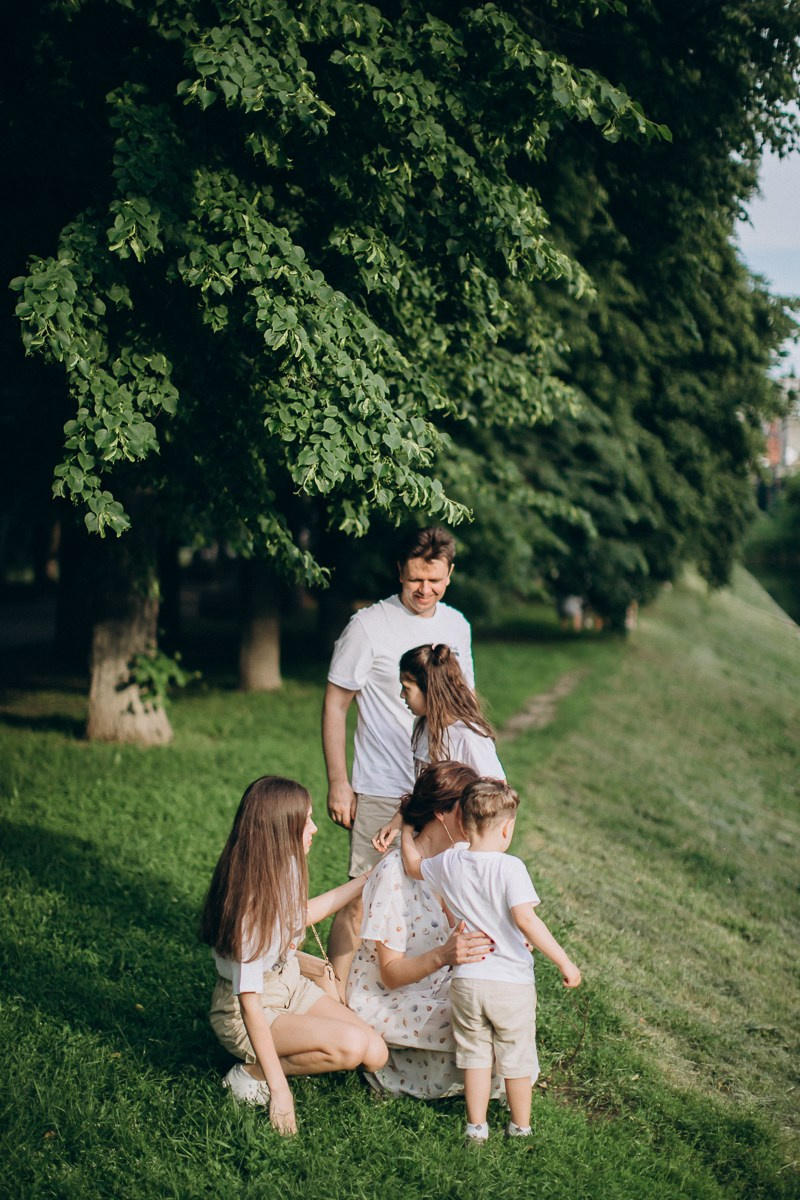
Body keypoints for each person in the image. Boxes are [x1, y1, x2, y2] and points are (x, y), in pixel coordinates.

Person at [322, 526, 474, 985]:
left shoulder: (457, 626)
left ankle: (406, 998)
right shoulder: (368, 626)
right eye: (415, 580)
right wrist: (338, 782)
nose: (424, 590)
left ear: (450, 574)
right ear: (399, 573)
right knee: (361, 898)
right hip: (381, 786)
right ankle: (336, 996)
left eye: (435, 580)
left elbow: (463, 702)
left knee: (433, 900)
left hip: (439, 793)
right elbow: (336, 704)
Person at [200, 775, 388, 1135]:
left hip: (289, 983)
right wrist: (281, 1093)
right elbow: (250, 1007)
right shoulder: (247, 911)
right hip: (247, 1011)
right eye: (306, 822)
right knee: (351, 1048)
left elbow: (299, 915)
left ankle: (273, 1061)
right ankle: (251, 1074)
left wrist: (367, 880)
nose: (315, 829)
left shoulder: (283, 864)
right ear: (280, 830)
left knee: (375, 1053)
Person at [401, 777, 581, 1144]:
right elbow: (526, 919)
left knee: (475, 1055)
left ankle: (476, 1127)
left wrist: (406, 828)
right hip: (510, 983)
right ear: (507, 828)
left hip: (467, 980)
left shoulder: (450, 861)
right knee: (516, 1056)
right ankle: (520, 1127)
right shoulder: (510, 868)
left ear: (463, 823)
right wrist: (565, 962)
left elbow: (413, 866)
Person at [346, 762, 499, 1099]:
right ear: (442, 812)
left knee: (501, 1003)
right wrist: (444, 955)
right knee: (478, 1021)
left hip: (433, 987)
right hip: (389, 1000)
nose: (479, 815)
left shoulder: (454, 859)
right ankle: (398, 1070)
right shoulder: (393, 873)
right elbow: (390, 975)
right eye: (469, 807)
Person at [372, 642, 505, 853]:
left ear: (430, 688)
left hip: (457, 851)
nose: (402, 695)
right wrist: (398, 820)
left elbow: (497, 796)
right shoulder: (423, 725)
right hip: (427, 844)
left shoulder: (468, 738)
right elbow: (425, 790)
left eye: (406, 688)